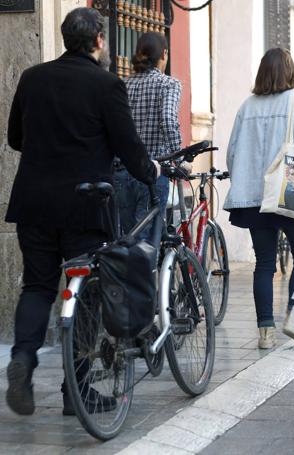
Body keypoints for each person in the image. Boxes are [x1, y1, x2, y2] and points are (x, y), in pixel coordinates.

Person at [4, 7, 159, 416]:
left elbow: (15, 137)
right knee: (87, 294)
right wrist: (150, 171)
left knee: (37, 288)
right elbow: (128, 145)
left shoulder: (32, 78)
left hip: (34, 203)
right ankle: (78, 391)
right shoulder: (106, 84)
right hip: (85, 207)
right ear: (98, 41)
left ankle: (23, 359)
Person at [224, 48, 294, 349]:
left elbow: (233, 152)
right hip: (290, 192)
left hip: (255, 197)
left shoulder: (247, 106)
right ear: (290, 72)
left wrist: (242, 178)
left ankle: (265, 333)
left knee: (265, 263)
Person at [115, 32, 182, 238]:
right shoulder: (169, 84)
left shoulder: (123, 85)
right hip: (151, 173)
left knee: (128, 241)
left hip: (121, 172)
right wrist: (179, 158)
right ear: (164, 54)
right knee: (146, 248)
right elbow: (169, 120)